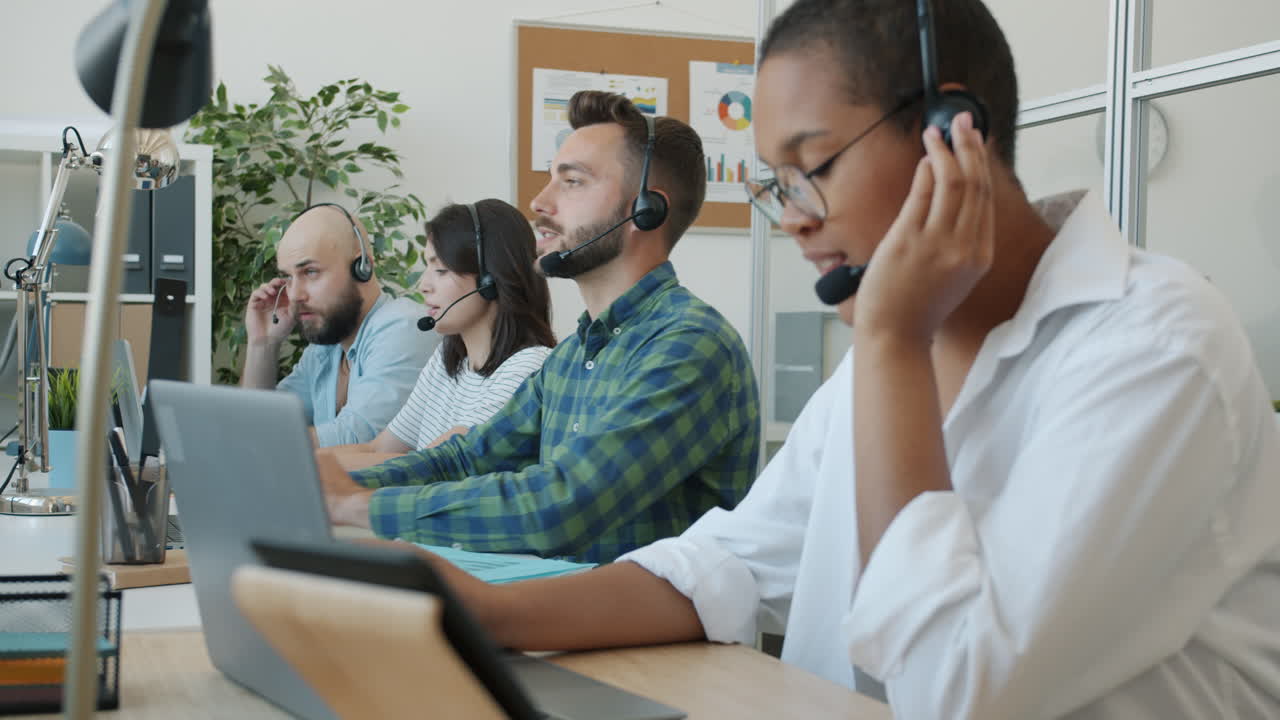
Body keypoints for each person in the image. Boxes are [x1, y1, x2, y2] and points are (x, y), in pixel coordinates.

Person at [390, 1, 1280, 717]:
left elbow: (957, 690)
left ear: (952, 132)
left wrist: (892, 341)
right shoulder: (888, 359)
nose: (795, 218)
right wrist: (482, 612)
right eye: (778, 185)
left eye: (813, 168)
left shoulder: (1155, 347)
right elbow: (732, 563)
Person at [319, 91, 761, 564]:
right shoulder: (574, 355)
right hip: (560, 612)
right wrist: (322, 482)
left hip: (647, 635)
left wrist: (359, 507)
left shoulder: (689, 345)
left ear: (646, 209)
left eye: (572, 182)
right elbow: (465, 459)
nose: (539, 202)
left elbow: (561, 505)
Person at [325, 199, 556, 471]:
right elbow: (379, 449)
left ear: (489, 281)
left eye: (441, 270)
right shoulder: (449, 360)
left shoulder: (526, 369)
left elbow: (427, 468)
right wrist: (302, 462)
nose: (423, 285)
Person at [241, 203, 436, 447]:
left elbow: (357, 440)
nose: (294, 295)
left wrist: (254, 440)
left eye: (310, 272)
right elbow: (261, 422)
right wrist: (263, 344)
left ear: (362, 268)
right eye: (289, 277)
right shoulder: (326, 349)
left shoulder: (404, 327)